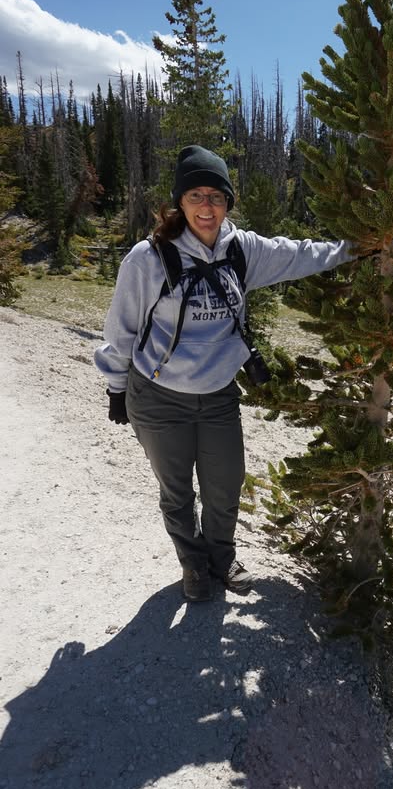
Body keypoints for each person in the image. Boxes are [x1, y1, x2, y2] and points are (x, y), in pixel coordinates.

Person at [95, 145, 353, 603]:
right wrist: (116, 387)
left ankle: (220, 556)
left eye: (216, 195)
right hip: (158, 397)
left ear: (228, 202)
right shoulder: (148, 258)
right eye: (195, 195)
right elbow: (121, 328)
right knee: (177, 492)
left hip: (217, 394)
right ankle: (193, 564)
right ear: (180, 202)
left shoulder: (242, 250)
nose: (207, 206)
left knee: (225, 485)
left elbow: (299, 255)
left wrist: (355, 250)